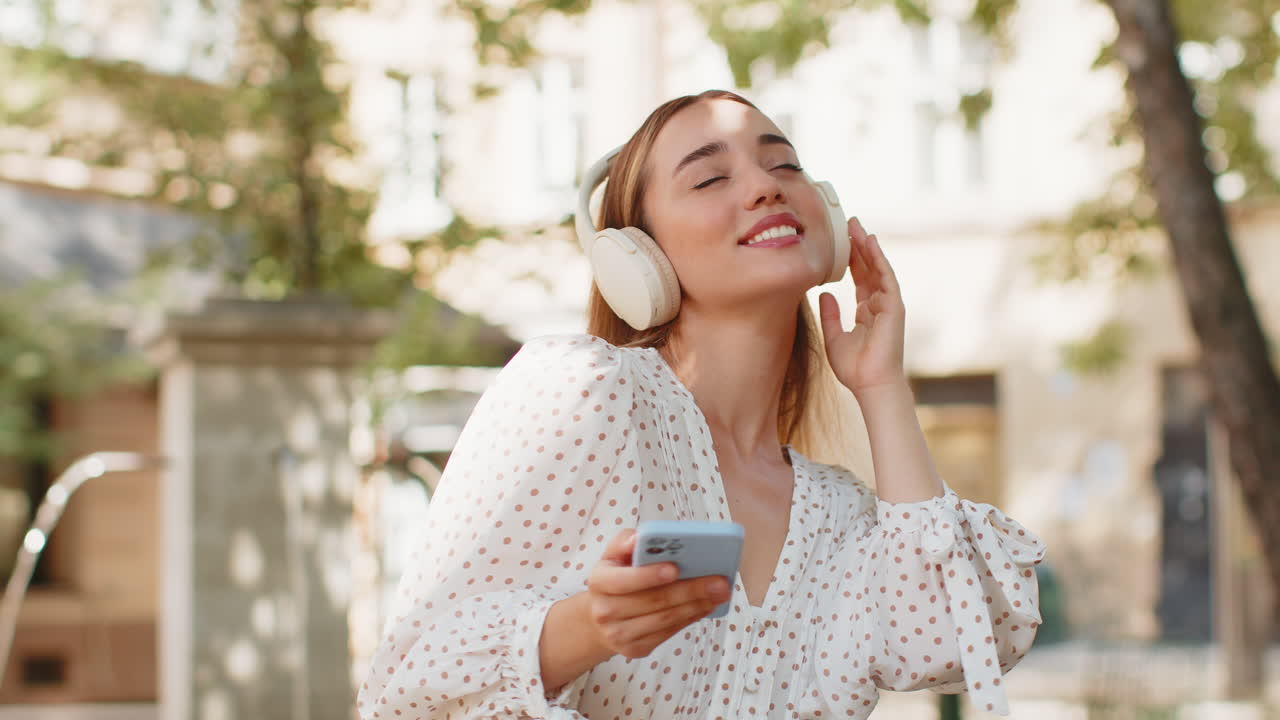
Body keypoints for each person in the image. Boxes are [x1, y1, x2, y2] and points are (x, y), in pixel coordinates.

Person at [358, 89, 1045, 720]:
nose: (764, 187)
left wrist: (881, 387)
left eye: (786, 166)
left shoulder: (839, 515)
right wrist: (589, 626)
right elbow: (403, 689)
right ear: (636, 257)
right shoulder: (582, 394)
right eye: (711, 177)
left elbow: (956, 643)